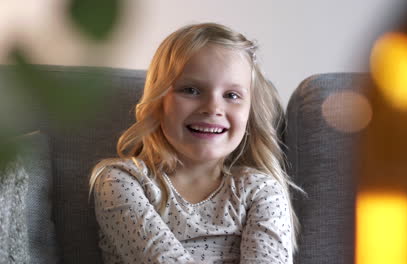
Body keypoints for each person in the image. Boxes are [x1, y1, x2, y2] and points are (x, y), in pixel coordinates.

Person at [89, 22, 302, 264]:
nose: (212, 108)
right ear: (158, 102)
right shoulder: (122, 182)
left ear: (250, 112)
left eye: (231, 95)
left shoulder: (260, 191)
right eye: (191, 90)